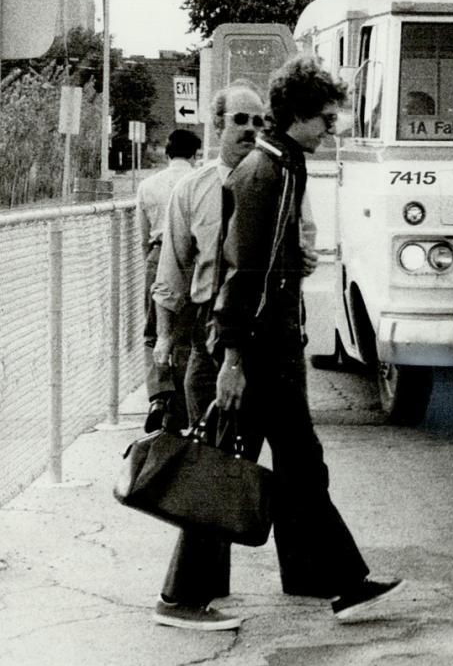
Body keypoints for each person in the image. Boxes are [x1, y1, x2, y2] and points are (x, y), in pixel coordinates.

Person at [182, 55, 403, 628]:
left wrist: (292, 263)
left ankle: (326, 578)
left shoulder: (284, 165)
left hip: (272, 350)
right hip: (256, 353)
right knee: (229, 469)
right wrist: (231, 358)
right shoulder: (268, 172)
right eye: (326, 120)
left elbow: (265, 260)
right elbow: (242, 271)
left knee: (299, 465)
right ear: (298, 116)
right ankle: (182, 597)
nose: (333, 130)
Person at [149, 81, 268, 631]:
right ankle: (181, 597)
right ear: (217, 125)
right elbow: (172, 268)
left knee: (274, 462)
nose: (250, 129)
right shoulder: (193, 189)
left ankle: (329, 577)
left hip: (267, 338)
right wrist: (165, 342)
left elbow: (307, 248)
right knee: (213, 466)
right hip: (208, 335)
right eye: (240, 119)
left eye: (259, 121)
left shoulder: (274, 183)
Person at [136, 127, 202, 431]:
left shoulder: (148, 186)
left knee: (154, 331)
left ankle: (159, 396)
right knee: (187, 331)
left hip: (158, 252)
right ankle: (182, 406)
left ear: (167, 152)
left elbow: (142, 235)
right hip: (192, 258)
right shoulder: (198, 182)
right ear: (195, 154)